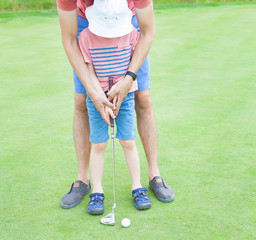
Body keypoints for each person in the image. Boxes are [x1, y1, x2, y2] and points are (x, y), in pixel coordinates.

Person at [57, 0, 175, 210]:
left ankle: (153, 174)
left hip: (125, 20)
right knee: (81, 100)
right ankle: (84, 179)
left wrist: (129, 77)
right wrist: (93, 91)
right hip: (88, 24)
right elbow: (69, 40)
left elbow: (147, 32)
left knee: (143, 97)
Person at [79, 0, 152, 213]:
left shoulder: (130, 34)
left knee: (128, 141)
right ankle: (98, 192)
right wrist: (98, 96)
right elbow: (89, 71)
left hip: (126, 96)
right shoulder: (86, 38)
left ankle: (137, 187)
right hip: (97, 99)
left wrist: (122, 89)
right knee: (99, 144)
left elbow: (132, 66)